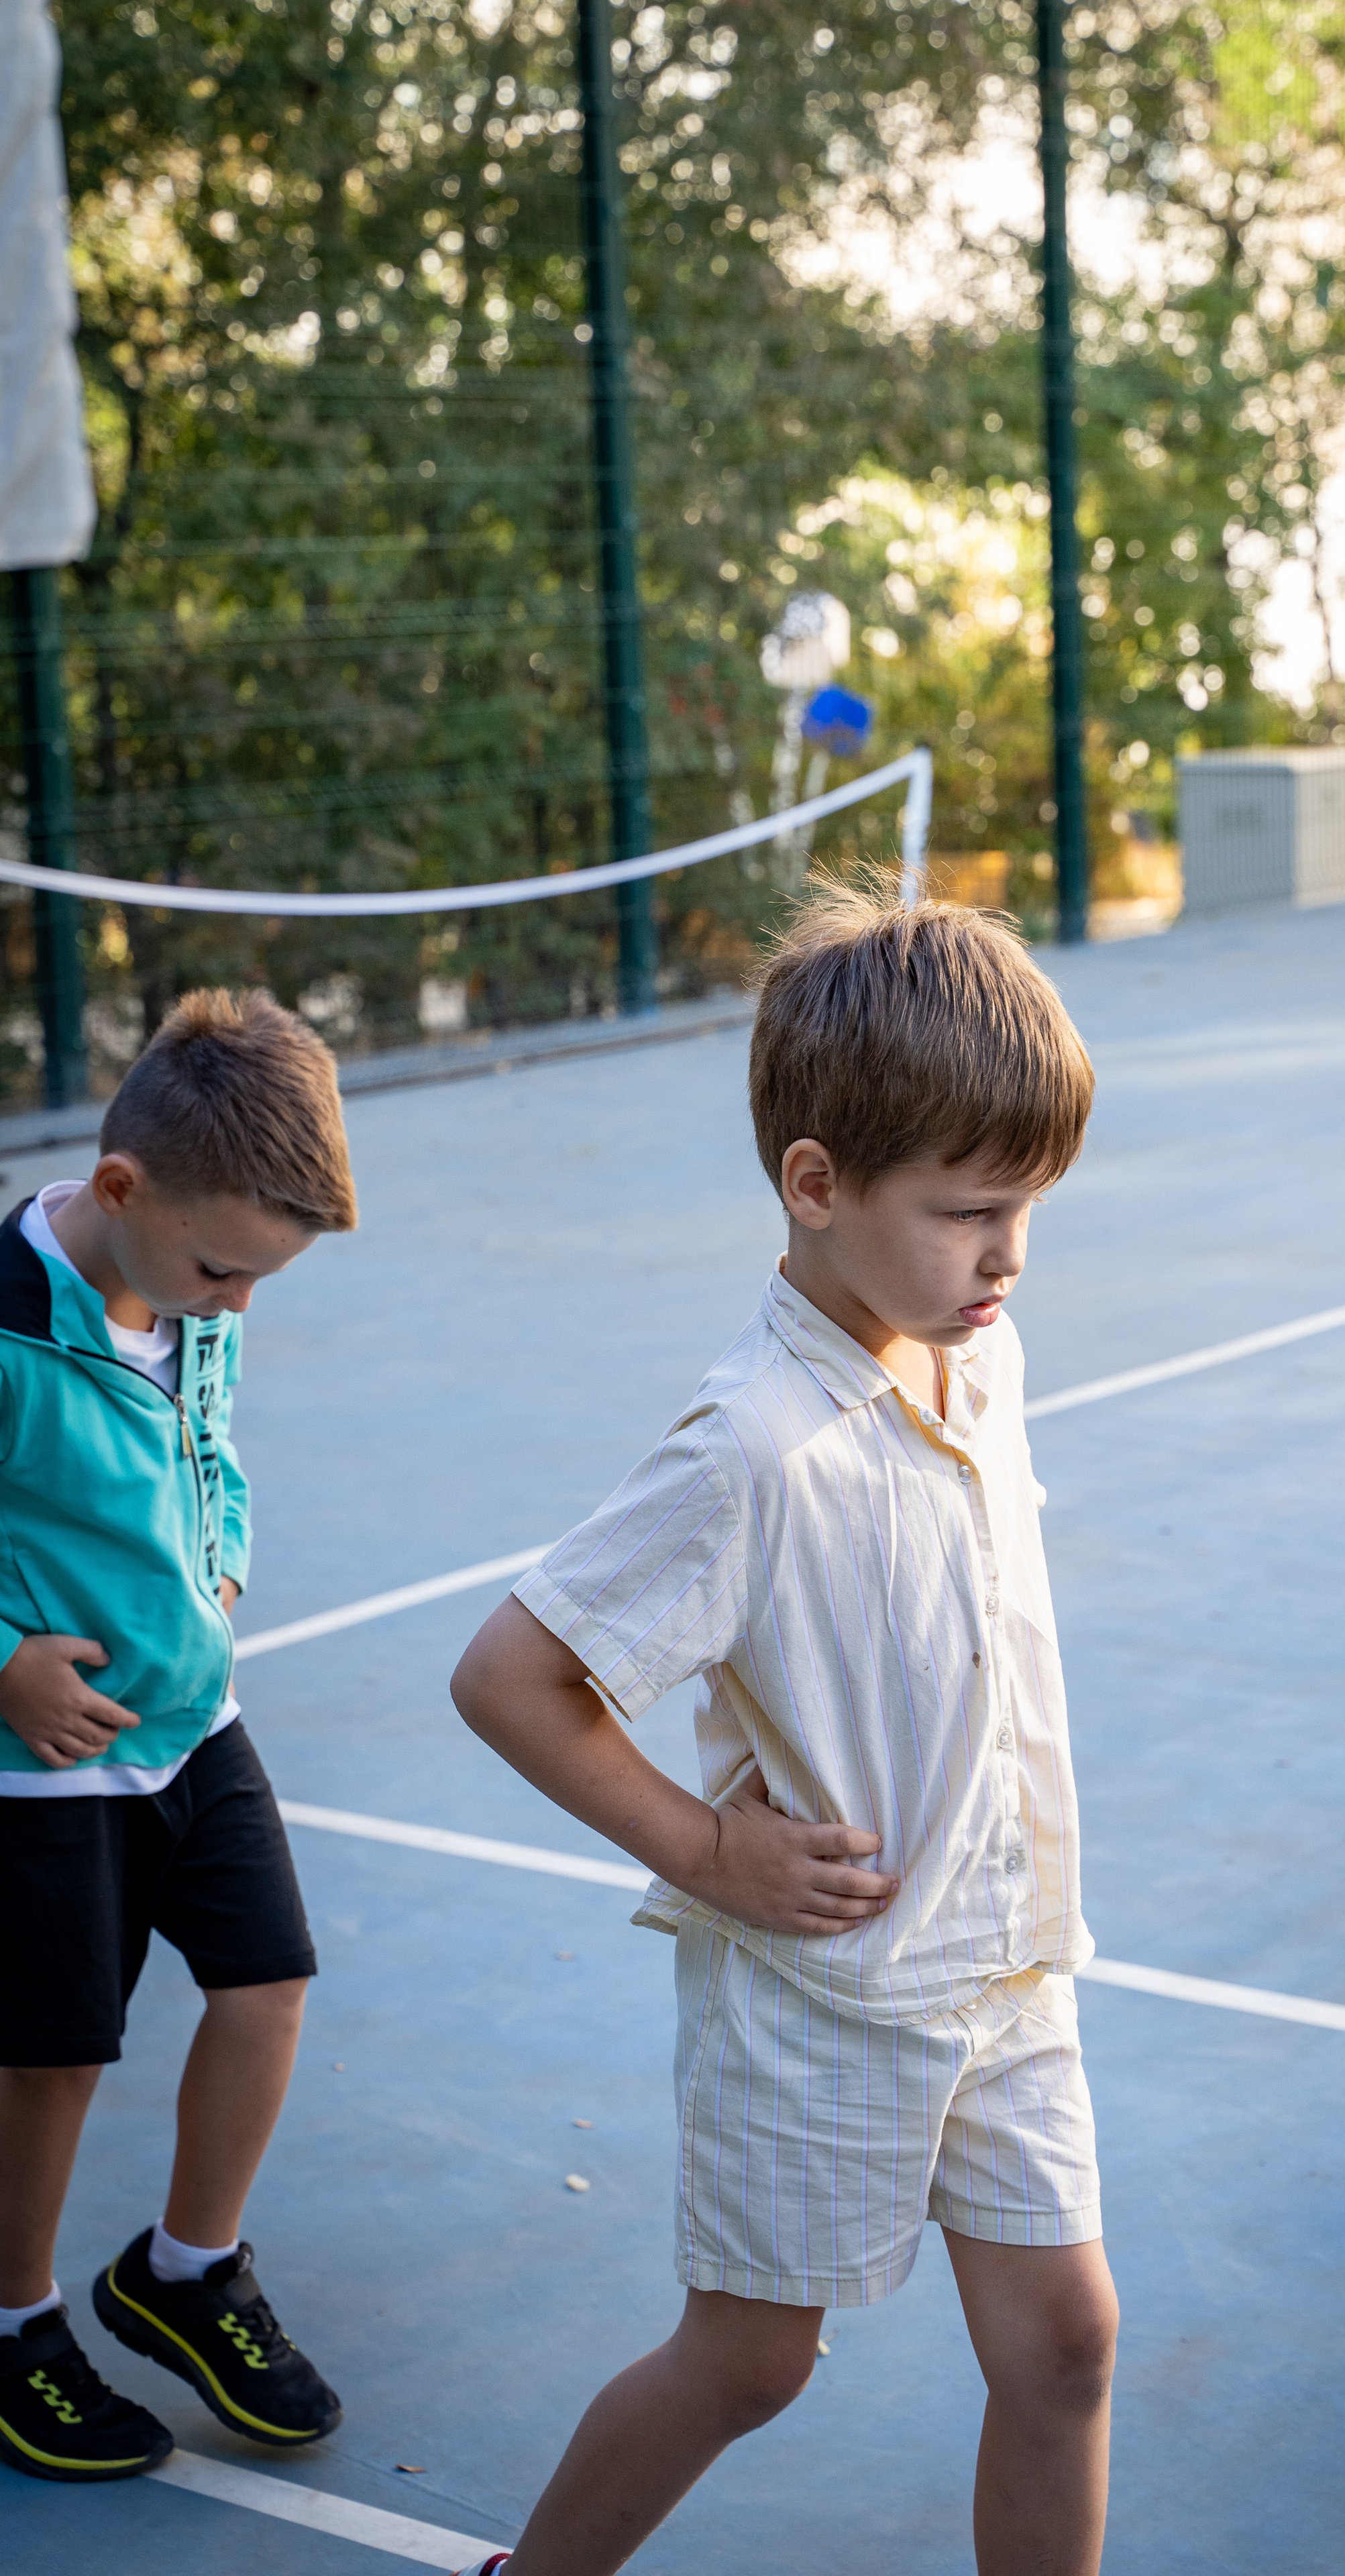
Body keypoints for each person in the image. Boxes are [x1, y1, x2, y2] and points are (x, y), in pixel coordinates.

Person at [451, 881, 1116, 2576]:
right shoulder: (748, 1446)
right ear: (813, 1186)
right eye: (970, 1212)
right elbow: (510, 1676)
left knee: (1066, 2346)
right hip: (824, 1998)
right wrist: (701, 1849)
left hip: (1004, 1963)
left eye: (1028, 1210)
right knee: (752, 2363)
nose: (1008, 1257)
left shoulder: (979, 1351)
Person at [0, 990, 357, 2483]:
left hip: (195, 1726)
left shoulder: (192, 1293)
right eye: (224, 1269)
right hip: (49, 1767)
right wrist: (5, 1664)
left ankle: (185, 2268)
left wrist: (225, 1561)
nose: (238, 1305)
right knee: (53, 2059)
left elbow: (212, 1445)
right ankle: (14, 2322)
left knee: (267, 1986)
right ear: (122, 1187)